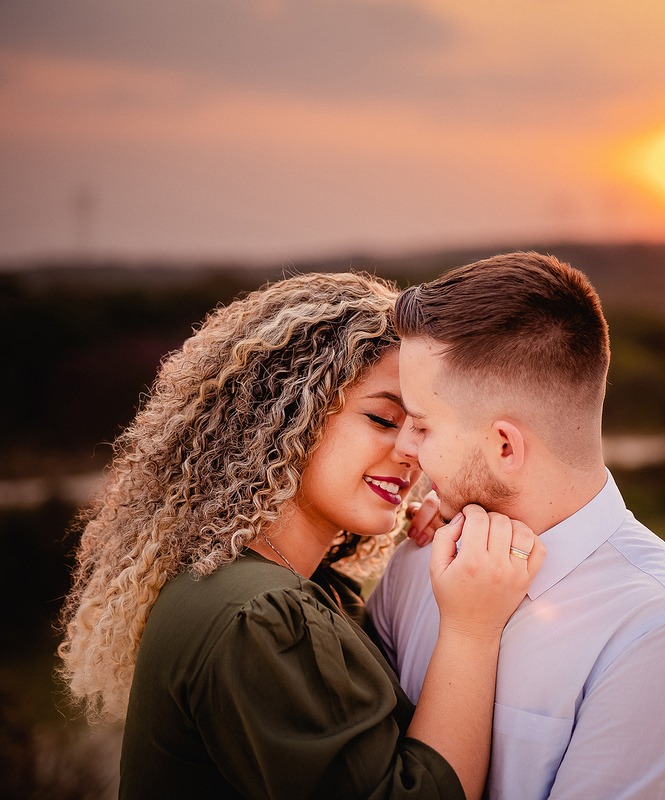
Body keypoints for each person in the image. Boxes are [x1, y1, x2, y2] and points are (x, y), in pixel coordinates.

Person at [57, 272, 545, 800]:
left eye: (423, 426)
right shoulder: (260, 619)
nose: (413, 450)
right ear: (289, 414)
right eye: (384, 418)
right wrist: (471, 628)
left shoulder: (271, 586)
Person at [368, 253, 665, 800]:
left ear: (504, 446)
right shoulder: (420, 559)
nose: (404, 447)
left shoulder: (663, 625)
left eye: (421, 426)